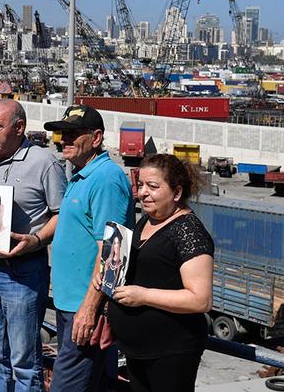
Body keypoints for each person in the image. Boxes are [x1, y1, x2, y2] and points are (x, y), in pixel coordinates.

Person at [0, 99, 66, 392]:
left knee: (24, 361)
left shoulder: (44, 162)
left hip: (22, 272)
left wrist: (35, 241)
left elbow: (61, 215)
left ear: (19, 128)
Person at [45, 105, 134, 392]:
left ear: (96, 138)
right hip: (71, 303)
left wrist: (90, 308)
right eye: (62, 134)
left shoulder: (106, 178)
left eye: (72, 134)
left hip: (84, 307)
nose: (63, 140)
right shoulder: (83, 174)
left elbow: (113, 251)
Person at [106, 154, 214, 392]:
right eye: (140, 184)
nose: (143, 192)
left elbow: (201, 299)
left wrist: (143, 296)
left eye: (153, 187)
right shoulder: (147, 220)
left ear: (176, 193)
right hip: (138, 349)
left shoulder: (189, 231)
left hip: (170, 350)